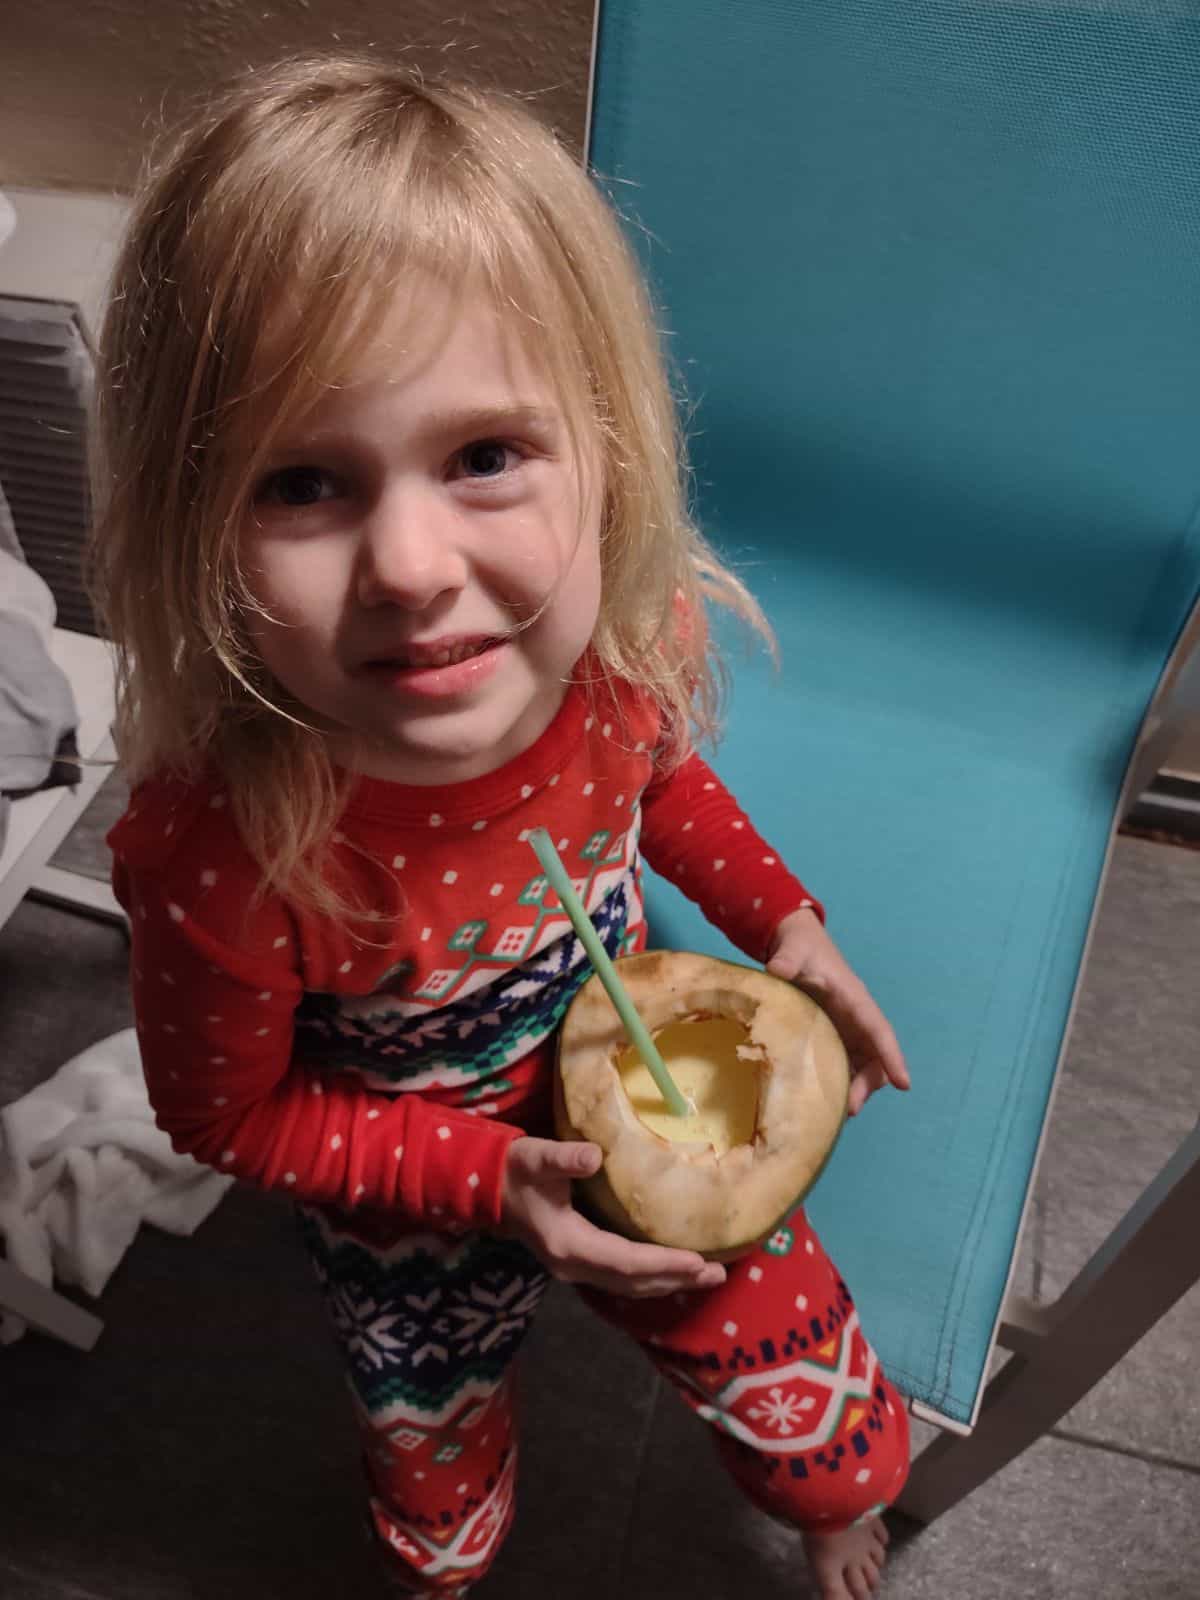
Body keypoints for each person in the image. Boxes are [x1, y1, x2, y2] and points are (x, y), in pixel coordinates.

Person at [92, 54, 912, 1600]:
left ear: (605, 447)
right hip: (413, 1185)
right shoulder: (223, 849)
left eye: (483, 456)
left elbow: (665, 786)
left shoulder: (613, 663)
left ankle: (831, 1494)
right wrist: (489, 1187)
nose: (409, 564)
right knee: (432, 1451)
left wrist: (786, 924)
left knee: (798, 1360)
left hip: (644, 1075)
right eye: (305, 481)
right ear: (192, 522)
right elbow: (230, 1121)